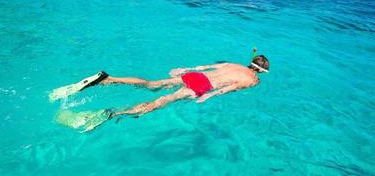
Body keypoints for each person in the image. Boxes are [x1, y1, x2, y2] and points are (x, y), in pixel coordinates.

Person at [51, 54, 269, 132]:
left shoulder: (232, 64)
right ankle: (112, 114)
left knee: (151, 84)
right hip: (200, 88)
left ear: (250, 62)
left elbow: (204, 68)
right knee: (161, 101)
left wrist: (183, 69)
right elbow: (228, 88)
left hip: (193, 77)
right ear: (262, 72)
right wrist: (207, 96)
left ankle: (108, 78)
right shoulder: (252, 80)